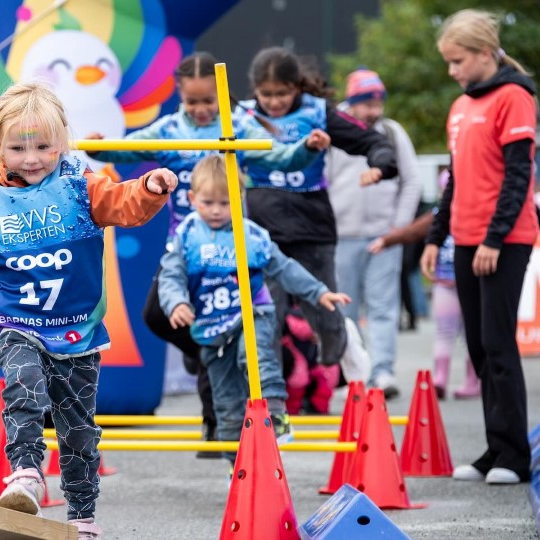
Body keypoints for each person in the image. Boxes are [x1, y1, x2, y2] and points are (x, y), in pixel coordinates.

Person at [0, 81, 178, 538]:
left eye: (44, 147)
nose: (31, 159)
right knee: (24, 385)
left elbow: (124, 204)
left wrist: (149, 187)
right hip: (17, 323)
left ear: (62, 143)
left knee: (78, 429)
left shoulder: (79, 187)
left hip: (76, 329)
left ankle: (82, 517)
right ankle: (26, 473)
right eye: (18, 148)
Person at [87, 51, 330, 453]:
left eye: (208, 102)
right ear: (180, 96)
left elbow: (280, 155)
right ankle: (210, 358)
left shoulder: (237, 126)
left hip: (229, 250)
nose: (201, 109)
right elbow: (126, 148)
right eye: (192, 101)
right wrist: (100, 149)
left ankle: (218, 431)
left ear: (221, 97)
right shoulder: (169, 129)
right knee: (162, 317)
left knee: (218, 337)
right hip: (186, 247)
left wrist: (307, 148)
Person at [157, 155, 349, 463]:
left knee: (256, 356)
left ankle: (276, 413)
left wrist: (318, 292)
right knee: (226, 398)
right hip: (211, 326)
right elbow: (171, 275)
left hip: (251, 312)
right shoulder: (187, 235)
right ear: (192, 199)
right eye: (208, 202)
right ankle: (236, 465)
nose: (217, 210)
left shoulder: (251, 234)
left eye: (225, 202)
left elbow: (284, 267)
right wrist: (176, 301)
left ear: (240, 198)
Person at [239, 47, 395, 401]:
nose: (274, 102)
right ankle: (269, 400)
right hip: (264, 233)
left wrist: (380, 165)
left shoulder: (317, 113)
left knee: (324, 315)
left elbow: (371, 140)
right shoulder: (242, 117)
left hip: (312, 229)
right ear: (254, 90)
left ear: (297, 87)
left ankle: (341, 341)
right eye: (266, 94)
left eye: (282, 93)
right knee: (267, 318)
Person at [422, 8, 538, 485]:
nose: (453, 70)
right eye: (448, 62)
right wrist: (435, 237)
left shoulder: (514, 98)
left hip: (505, 239)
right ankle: (495, 448)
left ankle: (514, 455)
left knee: (497, 342)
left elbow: (518, 176)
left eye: (458, 60)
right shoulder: (461, 106)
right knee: (477, 346)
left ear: (486, 53)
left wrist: (495, 237)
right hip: (466, 238)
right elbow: (454, 181)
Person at [327, 68, 422, 397]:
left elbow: (411, 179)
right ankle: (353, 376)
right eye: (367, 104)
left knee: (383, 307)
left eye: (378, 104)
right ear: (352, 102)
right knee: (346, 309)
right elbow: (322, 179)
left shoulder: (391, 132)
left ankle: (382, 373)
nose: (374, 111)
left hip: (384, 235)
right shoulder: (333, 129)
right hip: (342, 236)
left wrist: (399, 226)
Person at [369, 171, 480, 400]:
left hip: (465, 281)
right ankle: (448, 379)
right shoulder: (443, 214)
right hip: (448, 282)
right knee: (459, 332)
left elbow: (414, 231)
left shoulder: (465, 212)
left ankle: (462, 379)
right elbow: (414, 231)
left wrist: (387, 240)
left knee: (462, 333)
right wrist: (387, 240)